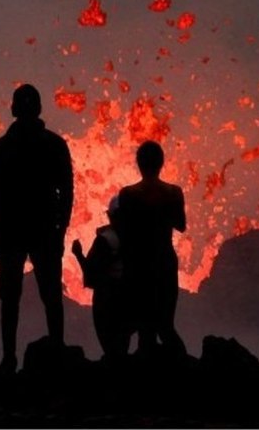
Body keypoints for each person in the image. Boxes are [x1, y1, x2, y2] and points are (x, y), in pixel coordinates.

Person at [0, 84, 74, 372]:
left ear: (13, 109)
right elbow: (67, 193)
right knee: (51, 296)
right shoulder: (55, 145)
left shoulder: (1, 149)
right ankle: (57, 349)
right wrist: (60, 229)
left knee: (10, 298)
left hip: (12, 232)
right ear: (38, 110)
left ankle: (9, 357)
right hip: (44, 229)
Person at [117, 140, 187, 358]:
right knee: (165, 325)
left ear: (138, 163)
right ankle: (182, 370)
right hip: (165, 262)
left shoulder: (127, 194)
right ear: (161, 163)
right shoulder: (174, 192)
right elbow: (181, 224)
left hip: (139, 265)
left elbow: (124, 233)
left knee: (144, 327)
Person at [72, 196, 131, 361]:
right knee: (122, 343)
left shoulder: (106, 239)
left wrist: (78, 254)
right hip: (129, 296)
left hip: (107, 298)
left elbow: (92, 273)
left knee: (110, 344)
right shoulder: (138, 238)